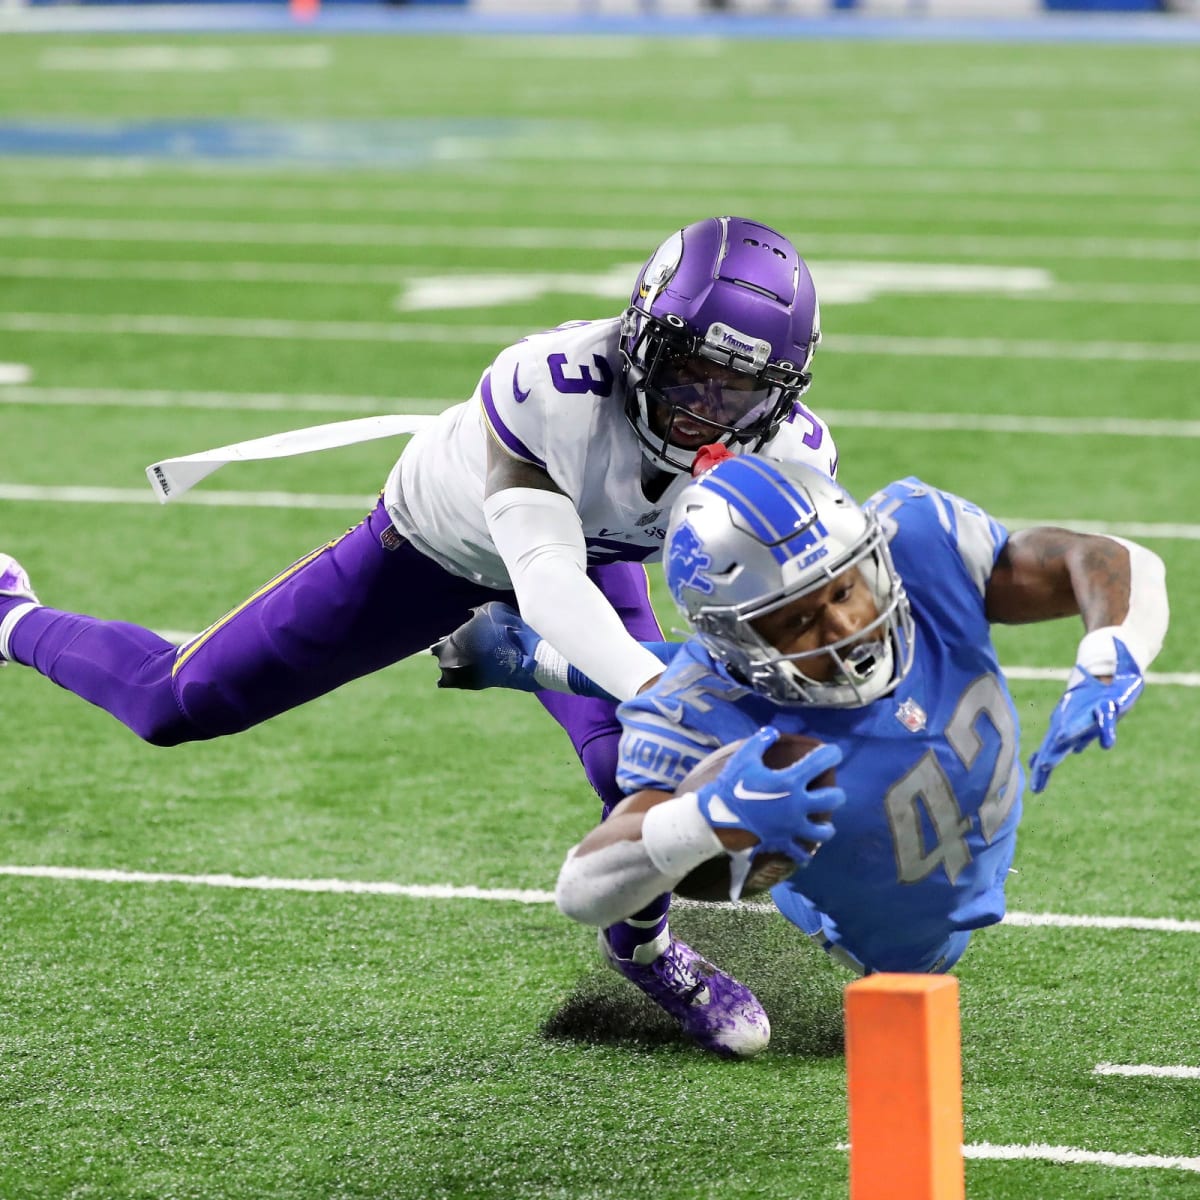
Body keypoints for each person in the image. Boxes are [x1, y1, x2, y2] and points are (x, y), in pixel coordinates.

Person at [0, 216, 835, 1033]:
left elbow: (788, 611)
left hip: (592, 554)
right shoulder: (554, 384)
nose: (704, 408)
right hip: (433, 552)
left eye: (740, 389)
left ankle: (644, 952)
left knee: (640, 768)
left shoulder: (792, 452)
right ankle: (13, 614)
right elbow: (544, 579)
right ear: (642, 333)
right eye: (690, 371)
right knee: (174, 705)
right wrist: (667, 690)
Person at [438, 454, 1167, 1057]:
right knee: (709, 734)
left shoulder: (916, 548)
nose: (849, 624)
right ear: (738, 639)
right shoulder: (703, 710)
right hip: (862, 911)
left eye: (845, 587)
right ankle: (642, 948)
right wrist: (706, 819)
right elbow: (583, 888)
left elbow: (1109, 560)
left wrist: (1113, 653)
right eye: (797, 621)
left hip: (932, 847)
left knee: (721, 677)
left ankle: (529, 653)